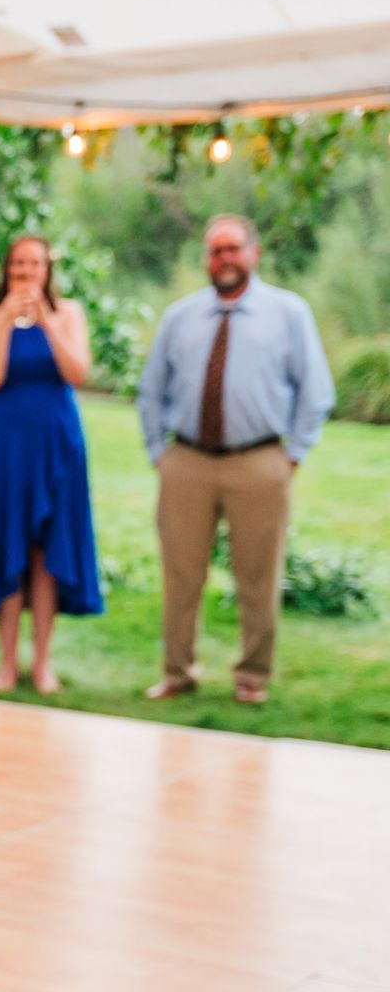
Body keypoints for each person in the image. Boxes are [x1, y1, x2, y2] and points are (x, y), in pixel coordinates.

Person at [137, 213, 334, 706]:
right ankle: (177, 671)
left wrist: (293, 456)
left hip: (259, 462)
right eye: (215, 250)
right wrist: (159, 453)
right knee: (181, 573)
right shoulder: (180, 316)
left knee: (257, 574)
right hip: (187, 461)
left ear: (254, 252)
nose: (223, 258)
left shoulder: (288, 313)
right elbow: (151, 391)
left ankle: (252, 676)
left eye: (232, 248)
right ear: (206, 259)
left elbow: (316, 391)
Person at [0, 235, 104, 693]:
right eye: (18, 264)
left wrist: (46, 322)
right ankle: (6, 661)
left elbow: (77, 372)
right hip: (6, 443)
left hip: (56, 441)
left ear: (48, 269)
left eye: (35, 264)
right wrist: (7, 319)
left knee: (48, 552)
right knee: (9, 545)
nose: (27, 272)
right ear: (7, 269)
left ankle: (42, 661)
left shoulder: (69, 314)